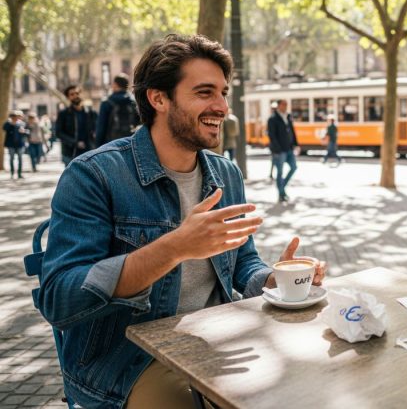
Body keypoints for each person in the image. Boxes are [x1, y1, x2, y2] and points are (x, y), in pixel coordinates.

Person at [38, 34, 327, 409]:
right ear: (158, 98)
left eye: (223, 92)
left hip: (219, 336)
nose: (222, 106)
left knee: (310, 384)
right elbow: (60, 299)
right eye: (205, 92)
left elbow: (242, 263)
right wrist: (173, 247)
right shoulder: (94, 175)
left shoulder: (226, 173)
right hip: (125, 357)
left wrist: (276, 278)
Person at [267, 99, 299, 202]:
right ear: (279, 105)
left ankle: (282, 188)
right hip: (280, 151)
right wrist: (278, 149)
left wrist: (296, 144)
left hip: (289, 148)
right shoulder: (272, 118)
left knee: (294, 167)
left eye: (286, 104)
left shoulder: (288, 116)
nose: (285, 106)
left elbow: (292, 131)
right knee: (279, 172)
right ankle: (281, 194)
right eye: (284, 104)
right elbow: (272, 136)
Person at [96, 73, 140, 147]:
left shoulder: (107, 102)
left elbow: (101, 127)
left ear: (115, 84)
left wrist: (98, 146)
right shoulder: (134, 101)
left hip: (111, 144)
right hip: (131, 142)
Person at [56, 85, 97, 164]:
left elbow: (97, 129)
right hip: (70, 153)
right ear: (68, 97)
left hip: (89, 151)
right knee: (72, 176)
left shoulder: (91, 113)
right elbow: (59, 133)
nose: (75, 96)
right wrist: (75, 143)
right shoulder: (63, 114)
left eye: (77, 93)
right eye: (72, 94)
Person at [3, 110, 28, 179]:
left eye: (16, 116)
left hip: (20, 144)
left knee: (20, 159)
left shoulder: (22, 124)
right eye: (13, 116)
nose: (15, 118)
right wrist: (11, 124)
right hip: (11, 145)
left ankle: (20, 174)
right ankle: (12, 173)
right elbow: (4, 128)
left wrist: (24, 131)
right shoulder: (8, 123)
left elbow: (27, 132)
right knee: (11, 159)